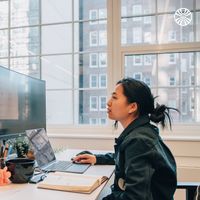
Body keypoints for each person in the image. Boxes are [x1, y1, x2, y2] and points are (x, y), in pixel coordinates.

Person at [72, 77, 179, 200]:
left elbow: (134, 197)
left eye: (115, 97)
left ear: (132, 107)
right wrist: (97, 158)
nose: (108, 102)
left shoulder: (139, 140)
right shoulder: (142, 132)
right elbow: (127, 158)